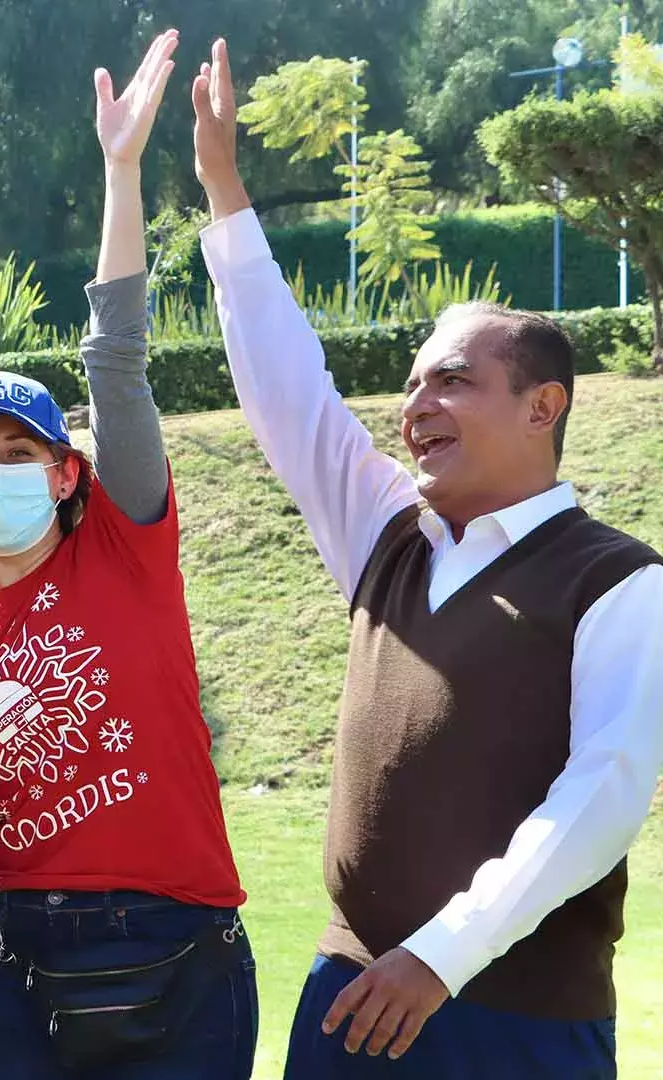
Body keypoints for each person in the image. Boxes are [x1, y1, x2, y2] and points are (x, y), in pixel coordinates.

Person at [193, 38, 663, 1079]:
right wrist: (224, 190)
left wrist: (439, 959)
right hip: (352, 994)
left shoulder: (619, 580)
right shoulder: (388, 534)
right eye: (411, 385)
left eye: (451, 381)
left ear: (544, 408)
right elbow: (289, 395)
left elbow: (602, 798)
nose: (415, 408)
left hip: (516, 1022)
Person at [0, 31, 255, 1080]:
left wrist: (121, 171)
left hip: (185, 953)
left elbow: (115, 365)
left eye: (20, 452)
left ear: (69, 476)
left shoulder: (126, 548)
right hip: (27, 968)